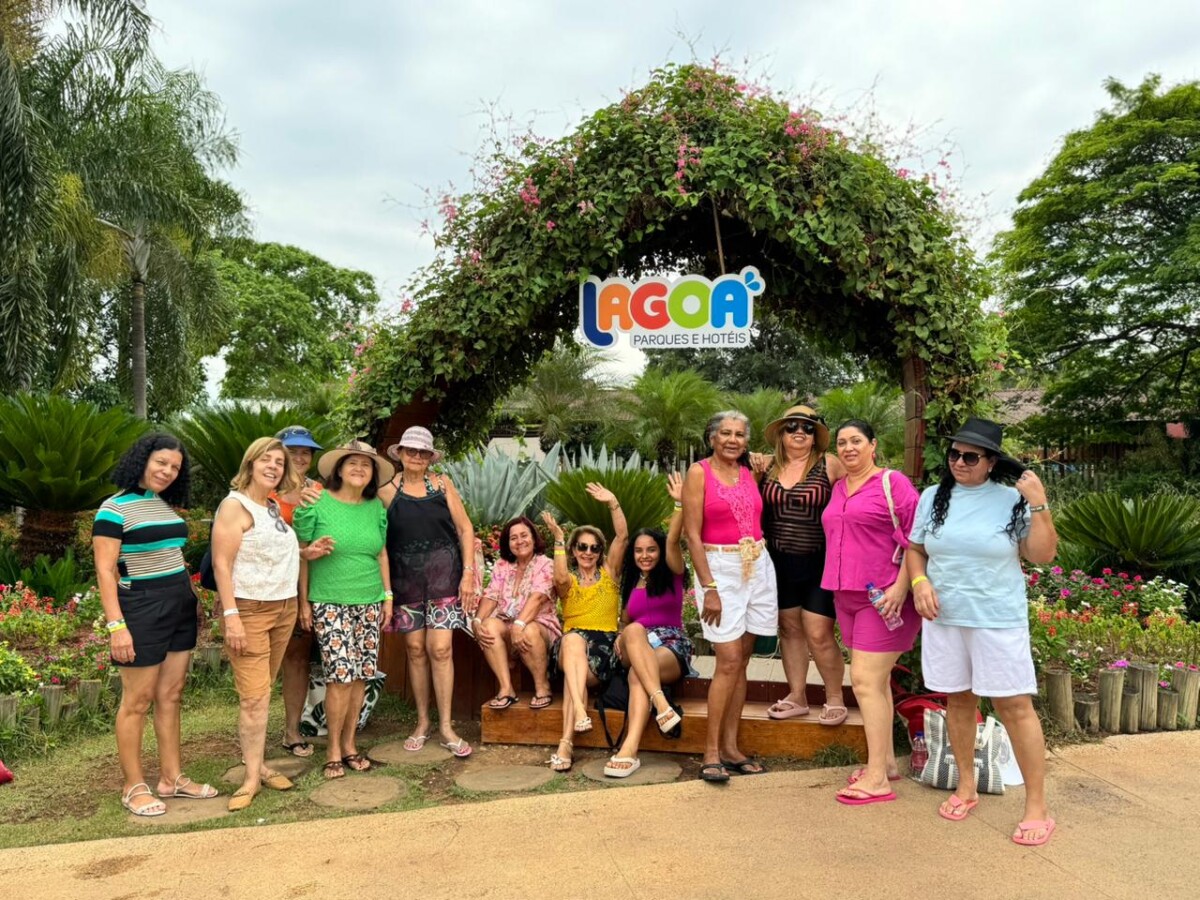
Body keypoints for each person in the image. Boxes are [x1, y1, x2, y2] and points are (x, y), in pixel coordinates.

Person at [907, 417, 1059, 846]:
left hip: (996, 619)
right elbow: (916, 549)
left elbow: (1042, 555)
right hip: (946, 618)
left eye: (970, 457)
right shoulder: (933, 497)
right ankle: (966, 786)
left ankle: (1036, 807)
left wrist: (1039, 505)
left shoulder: (1011, 500)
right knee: (958, 700)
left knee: (1014, 706)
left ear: (991, 462)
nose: (959, 462)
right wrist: (919, 582)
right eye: (954, 454)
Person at [93, 433, 218, 816]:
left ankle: (171, 778)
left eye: (175, 467)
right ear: (142, 459)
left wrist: (190, 598)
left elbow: (170, 553)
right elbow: (105, 570)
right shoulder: (113, 509)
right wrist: (117, 626)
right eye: (161, 462)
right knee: (137, 700)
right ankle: (133, 786)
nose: (167, 471)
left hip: (179, 602)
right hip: (141, 606)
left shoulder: (164, 505)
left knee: (172, 694)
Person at [821, 420, 921, 805]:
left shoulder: (893, 483)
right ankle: (887, 763)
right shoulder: (838, 487)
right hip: (845, 594)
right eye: (842, 442)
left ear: (872, 445)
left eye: (856, 441)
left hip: (885, 597)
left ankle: (876, 777)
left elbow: (917, 537)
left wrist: (902, 586)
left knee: (863, 680)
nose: (848, 448)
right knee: (875, 683)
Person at [683, 410, 778, 783]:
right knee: (728, 660)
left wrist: (764, 466)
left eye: (739, 434)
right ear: (712, 437)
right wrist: (709, 587)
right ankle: (710, 751)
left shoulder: (750, 471)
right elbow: (692, 535)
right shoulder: (699, 473)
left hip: (757, 564)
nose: (732, 440)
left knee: (742, 662)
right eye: (725, 433)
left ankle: (731, 747)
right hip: (719, 569)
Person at [210, 437, 303, 811]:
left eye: (279, 462)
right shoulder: (235, 506)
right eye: (266, 459)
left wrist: (306, 551)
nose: (273, 467)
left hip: (284, 608)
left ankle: (259, 765)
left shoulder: (271, 507)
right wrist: (231, 616)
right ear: (250, 463)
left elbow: (268, 552)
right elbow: (221, 564)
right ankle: (251, 779)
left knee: (263, 690)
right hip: (250, 610)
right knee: (253, 696)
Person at [293, 440, 393, 780]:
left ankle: (350, 744)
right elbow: (303, 553)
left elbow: (381, 553)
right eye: (352, 462)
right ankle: (333, 749)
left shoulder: (375, 507)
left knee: (362, 675)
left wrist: (388, 596)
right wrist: (303, 601)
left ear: (373, 474)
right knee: (340, 676)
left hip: (370, 599)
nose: (359, 469)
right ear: (338, 469)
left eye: (366, 465)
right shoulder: (316, 502)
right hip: (329, 600)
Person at [378, 426, 477, 759]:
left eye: (423, 452)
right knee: (415, 650)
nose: (417, 457)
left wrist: (468, 574)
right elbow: (376, 537)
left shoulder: (442, 485)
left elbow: (465, 528)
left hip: (445, 580)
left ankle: (446, 726)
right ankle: (422, 721)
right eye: (411, 451)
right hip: (405, 583)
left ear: (431, 457)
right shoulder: (386, 491)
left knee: (441, 649)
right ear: (401, 454)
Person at [758, 404, 848, 725]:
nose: (799, 432)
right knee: (789, 629)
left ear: (815, 435)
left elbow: (859, 490)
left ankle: (834, 697)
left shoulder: (830, 464)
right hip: (778, 563)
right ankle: (797, 695)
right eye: (792, 426)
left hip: (819, 563)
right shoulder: (765, 467)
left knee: (819, 632)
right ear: (781, 434)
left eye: (808, 427)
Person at [604, 472, 692, 778]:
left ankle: (629, 749)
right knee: (633, 630)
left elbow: (674, 540)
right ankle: (662, 704)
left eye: (651, 549)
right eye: (639, 550)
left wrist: (679, 504)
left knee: (637, 675)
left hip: (670, 644)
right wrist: (620, 634)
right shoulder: (630, 584)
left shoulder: (673, 573)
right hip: (635, 645)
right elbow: (626, 622)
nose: (645, 555)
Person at [540, 483, 628, 773]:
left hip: (602, 650)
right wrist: (558, 539)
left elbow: (622, 537)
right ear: (574, 550)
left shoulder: (610, 574)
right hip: (571, 647)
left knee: (573, 675)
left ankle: (566, 742)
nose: (588, 552)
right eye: (582, 547)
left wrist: (613, 502)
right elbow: (559, 577)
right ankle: (578, 712)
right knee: (572, 640)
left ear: (600, 551)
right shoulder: (570, 582)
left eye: (594, 547)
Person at [270, 425, 329, 758]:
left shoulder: (319, 492)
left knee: (297, 657)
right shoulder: (263, 492)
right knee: (263, 661)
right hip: (268, 586)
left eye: (306, 452)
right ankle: (252, 733)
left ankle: (292, 730)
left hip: (306, 585)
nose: (300, 457)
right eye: (292, 451)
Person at [472, 517, 560, 714]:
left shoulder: (545, 564)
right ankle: (506, 688)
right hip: (509, 626)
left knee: (528, 630)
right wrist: (477, 621)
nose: (519, 541)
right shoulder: (502, 565)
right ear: (508, 543)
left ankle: (542, 686)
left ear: (534, 538)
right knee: (488, 626)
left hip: (539, 628)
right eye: (513, 538)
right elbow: (491, 595)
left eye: (524, 536)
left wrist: (519, 624)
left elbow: (538, 598)